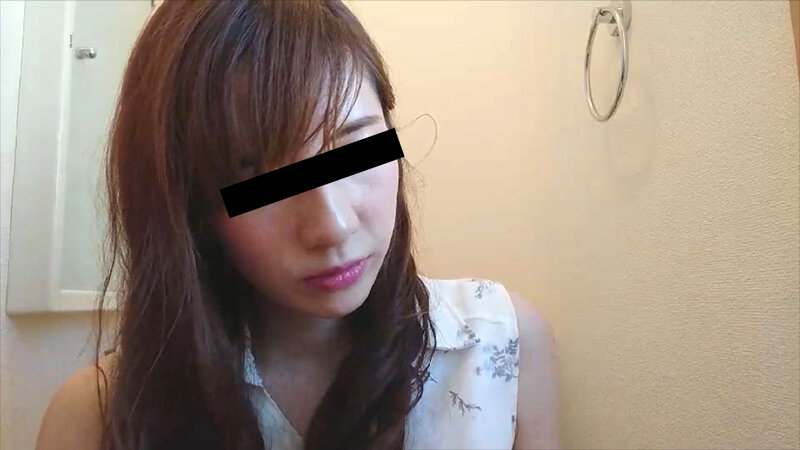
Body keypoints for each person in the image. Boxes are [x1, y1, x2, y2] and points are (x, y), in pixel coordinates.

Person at [36, 1, 559, 449]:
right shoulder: (97, 415)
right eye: (259, 179)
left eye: (355, 147)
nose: (332, 226)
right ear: (189, 205)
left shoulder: (500, 344)